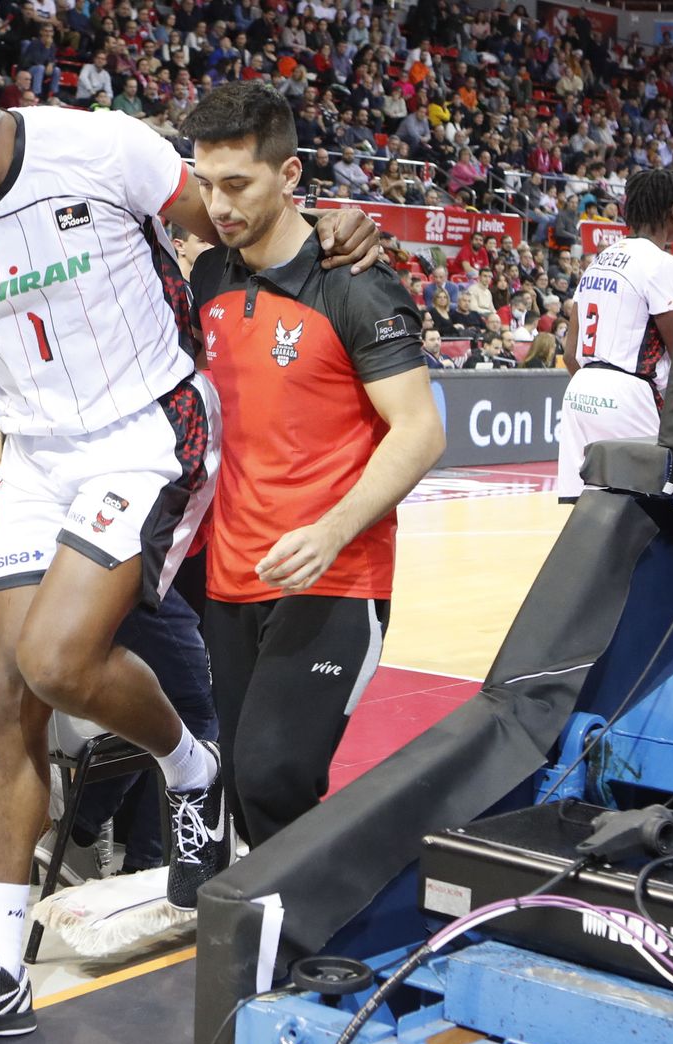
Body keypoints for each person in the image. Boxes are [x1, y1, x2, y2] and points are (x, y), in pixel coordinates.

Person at [0, 37, 378, 1037]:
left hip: (147, 426)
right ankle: (0, 967)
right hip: (34, 457)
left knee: (53, 658)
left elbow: (227, 227)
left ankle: (187, 762)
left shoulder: (99, 148)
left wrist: (327, 231)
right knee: (6, 690)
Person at [184, 84, 443, 851]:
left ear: (290, 175)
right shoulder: (209, 280)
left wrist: (331, 531)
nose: (219, 205)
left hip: (333, 577)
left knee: (272, 773)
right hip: (229, 578)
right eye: (206, 184)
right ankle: (279, 954)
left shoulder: (356, 281)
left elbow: (420, 431)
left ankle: (331, 940)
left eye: (238, 184)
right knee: (247, 784)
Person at [557, 170, 673, 502]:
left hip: (581, 391)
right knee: (649, 515)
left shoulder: (598, 261)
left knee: (590, 514)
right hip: (630, 393)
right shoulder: (662, 264)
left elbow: (570, 355)